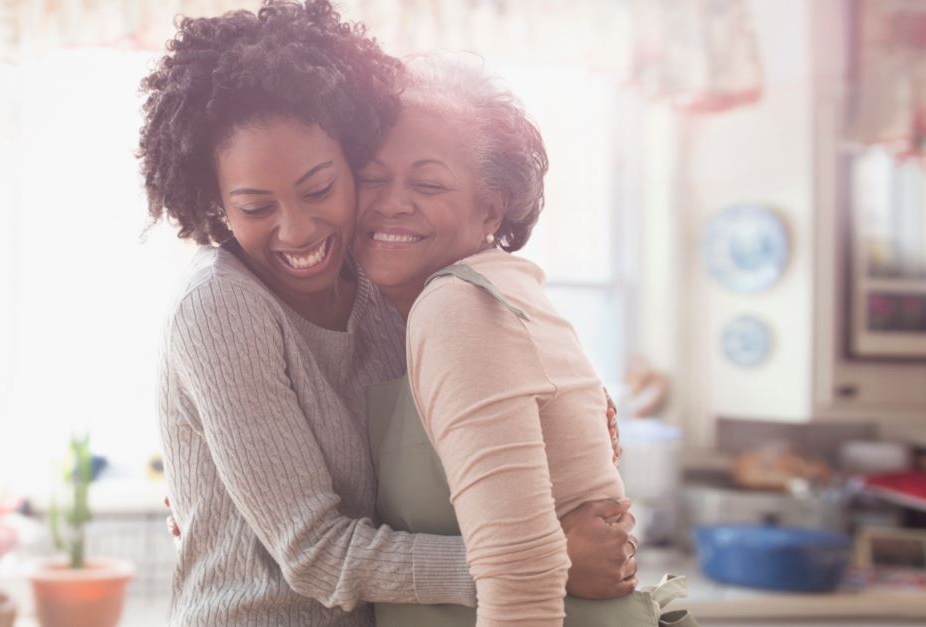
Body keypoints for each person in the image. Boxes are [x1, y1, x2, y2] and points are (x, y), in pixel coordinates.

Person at [140, 2, 635, 625]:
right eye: (255, 206)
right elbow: (315, 554)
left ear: (351, 162)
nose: (296, 230)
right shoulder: (219, 306)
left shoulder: (386, 283)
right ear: (214, 202)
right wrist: (539, 562)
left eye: (319, 189)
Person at [353, 56, 693, 626]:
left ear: (491, 206)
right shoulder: (481, 293)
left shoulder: (458, 306)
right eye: (371, 177)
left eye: (429, 182)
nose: (391, 202)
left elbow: (522, 582)